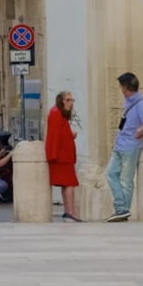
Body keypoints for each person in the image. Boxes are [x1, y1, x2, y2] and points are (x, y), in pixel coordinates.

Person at [106, 71, 143, 222]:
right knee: (111, 173)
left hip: (131, 145)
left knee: (126, 179)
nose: (121, 90)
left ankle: (122, 210)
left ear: (126, 87)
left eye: (122, 86)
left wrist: (140, 131)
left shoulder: (140, 103)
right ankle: (121, 207)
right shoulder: (129, 102)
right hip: (120, 144)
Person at [45, 91, 80, 221]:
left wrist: (71, 135)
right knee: (70, 183)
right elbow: (54, 136)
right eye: (68, 100)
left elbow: (61, 133)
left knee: (67, 184)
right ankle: (70, 212)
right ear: (61, 100)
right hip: (61, 157)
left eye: (72, 100)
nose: (70, 103)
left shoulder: (58, 114)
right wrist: (53, 155)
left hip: (63, 156)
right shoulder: (56, 113)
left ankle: (68, 212)